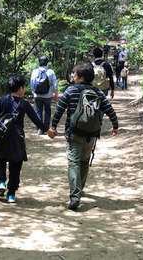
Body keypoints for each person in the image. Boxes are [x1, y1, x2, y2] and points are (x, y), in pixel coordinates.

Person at [47, 63, 119, 210]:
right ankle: (79, 189)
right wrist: (115, 125)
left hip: (74, 133)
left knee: (74, 162)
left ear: (80, 77)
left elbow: (59, 110)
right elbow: (109, 109)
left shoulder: (70, 91)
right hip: (92, 135)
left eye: (74, 74)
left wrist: (53, 127)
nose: (72, 76)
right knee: (85, 162)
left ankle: (75, 196)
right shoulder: (98, 92)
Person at [0, 75, 45, 203]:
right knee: (15, 166)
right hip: (17, 139)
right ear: (20, 88)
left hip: (1, 137)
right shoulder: (24, 104)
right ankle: (11, 194)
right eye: (23, 87)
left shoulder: (2, 100)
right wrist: (47, 129)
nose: (24, 90)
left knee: (0, 160)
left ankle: (1, 182)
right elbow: (35, 119)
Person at [30, 56, 58, 134]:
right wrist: (55, 94)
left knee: (38, 111)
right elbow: (55, 84)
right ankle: (46, 129)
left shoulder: (34, 71)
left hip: (37, 95)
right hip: (48, 96)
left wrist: (34, 93)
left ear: (39, 62)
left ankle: (40, 129)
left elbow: (32, 84)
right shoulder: (51, 72)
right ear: (47, 63)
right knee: (47, 111)